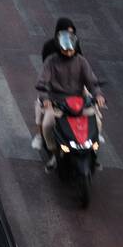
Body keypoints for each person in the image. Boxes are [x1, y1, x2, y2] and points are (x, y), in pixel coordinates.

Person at [36, 31, 106, 168]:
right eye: (65, 50)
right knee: (47, 125)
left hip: (79, 102)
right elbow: (42, 82)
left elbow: (91, 81)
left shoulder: (81, 61)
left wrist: (98, 94)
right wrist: (45, 98)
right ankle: (54, 154)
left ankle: (93, 152)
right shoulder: (51, 62)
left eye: (71, 50)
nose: (68, 53)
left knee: (97, 122)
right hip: (57, 103)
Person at [32, 18, 83, 149]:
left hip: (72, 86)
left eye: (71, 33)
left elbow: (84, 67)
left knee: (93, 110)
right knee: (41, 108)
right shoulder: (50, 50)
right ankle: (39, 136)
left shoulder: (75, 46)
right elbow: (45, 72)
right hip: (54, 87)